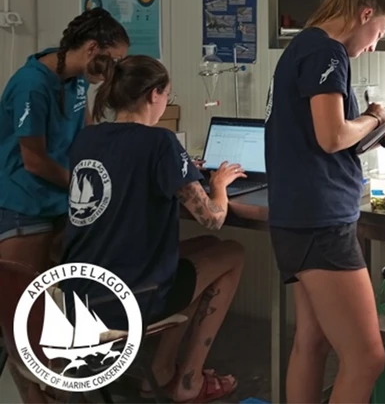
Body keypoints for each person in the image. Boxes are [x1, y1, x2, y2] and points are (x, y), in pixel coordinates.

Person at [265, 0, 385, 404]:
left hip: (297, 216)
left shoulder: (305, 46)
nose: (374, 46)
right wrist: (374, 117)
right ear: (365, 14)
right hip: (320, 221)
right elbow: (332, 136)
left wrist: (383, 130)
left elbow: (327, 139)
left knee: (311, 342)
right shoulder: (326, 52)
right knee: (368, 358)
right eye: (378, 34)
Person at [60, 55, 246, 403]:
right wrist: (218, 184)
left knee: (202, 249)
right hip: (125, 298)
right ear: (154, 94)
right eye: (168, 96)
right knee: (231, 252)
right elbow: (213, 218)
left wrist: (180, 169)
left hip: (79, 291)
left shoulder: (87, 138)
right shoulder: (160, 143)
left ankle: (159, 374)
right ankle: (188, 381)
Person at [0, 8, 129, 272]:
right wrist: (84, 186)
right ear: (92, 48)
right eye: (113, 61)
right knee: (24, 300)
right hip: (25, 199)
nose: (113, 71)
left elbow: (88, 132)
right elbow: (34, 161)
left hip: (60, 197)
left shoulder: (76, 77)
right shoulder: (32, 85)